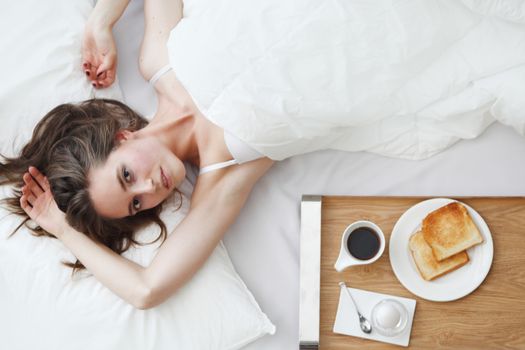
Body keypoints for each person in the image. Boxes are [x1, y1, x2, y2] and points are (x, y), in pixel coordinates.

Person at [0, 0, 273, 309]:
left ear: (122, 138)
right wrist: (63, 229)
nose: (149, 189)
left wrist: (101, 21)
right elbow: (146, 290)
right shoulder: (223, 179)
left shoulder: (159, 58)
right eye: (136, 204)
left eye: (127, 175)